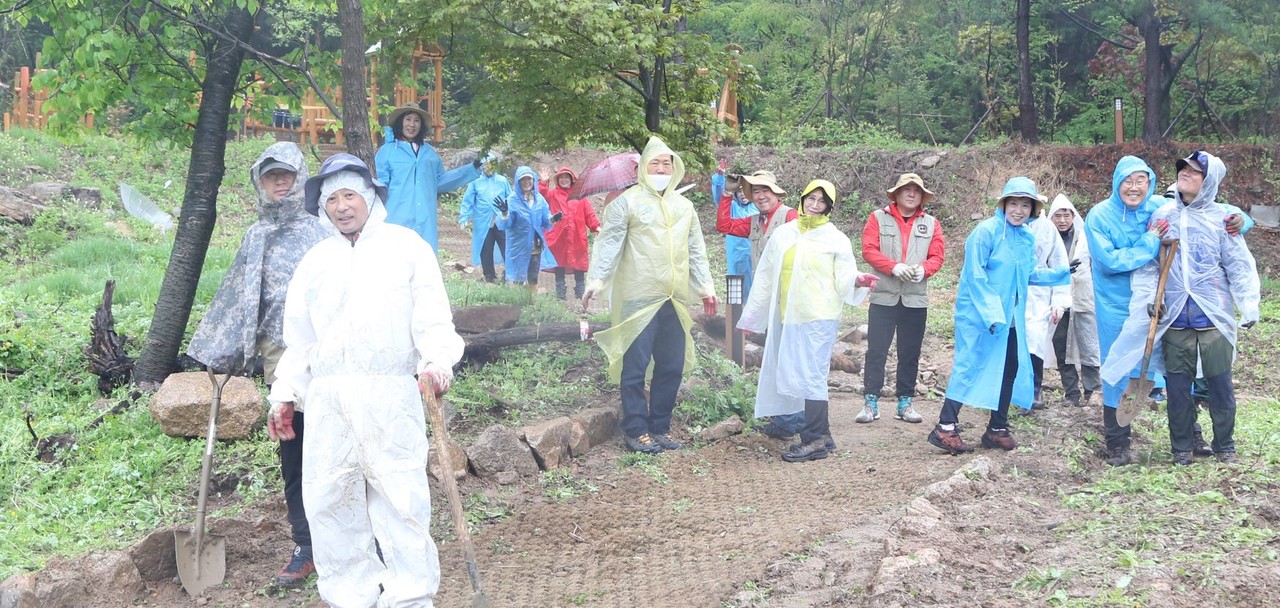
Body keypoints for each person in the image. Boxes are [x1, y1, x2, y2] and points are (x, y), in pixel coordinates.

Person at [266, 153, 464, 607]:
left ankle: (410, 599)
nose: (341, 206)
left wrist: (436, 363)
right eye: (332, 199)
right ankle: (349, 598)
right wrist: (286, 393)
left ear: (370, 197)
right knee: (332, 506)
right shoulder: (315, 262)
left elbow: (434, 320)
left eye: (349, 195)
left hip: (391, 395)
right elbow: (301, 341)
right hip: (330, 402)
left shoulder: (406, 248)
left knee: (401, 504)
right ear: (323, 207)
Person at [186, 141, 328, 588]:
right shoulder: (254, 235)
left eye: (287, 174)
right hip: (278, 358)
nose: (280, 182)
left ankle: (357, 539)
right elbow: (236, 296)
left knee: (337, 446)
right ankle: (306, 545)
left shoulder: (321, 232)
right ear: (259, 183)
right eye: (271, 176)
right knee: (294, 452)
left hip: (328, 357)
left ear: (301, 176)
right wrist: (218, 349)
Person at [1101, 151, 1259, 465]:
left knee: (1220, 386)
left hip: (1212, 318)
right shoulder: (1163, 216)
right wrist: (1150, 300)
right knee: (1177, 388)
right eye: (1183, 168)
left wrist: (1249, 304)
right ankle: (1182, 449)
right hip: (1175, 319)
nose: (1185, 173)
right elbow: (1149, 267)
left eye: (1194, 171)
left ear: (1208, 181)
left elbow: (1238, 266)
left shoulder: (1222, 219)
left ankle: (1225, 447)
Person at [582, 136, 717, 454]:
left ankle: (660, 427)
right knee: (636, 366)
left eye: (666, 163)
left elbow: (696, 251)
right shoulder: (626, 203)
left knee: (672, 365)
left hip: (674, 299)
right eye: (654, 162)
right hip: (639, 297)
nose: (660, 168)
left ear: (675, 168)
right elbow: (608, 246)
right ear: (643, 167)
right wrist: (596, 282)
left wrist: (706, 288)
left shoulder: (684, 207)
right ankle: (635, 429)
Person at [927, 178, 1069, 454]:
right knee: (971, 365)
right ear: (1003, 204)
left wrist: (1062, 272)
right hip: (979, 314)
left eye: (1025, 205)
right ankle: (945, 427)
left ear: (1033, 209)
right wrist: (992, 314)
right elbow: (975, 276)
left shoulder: (1027, 237)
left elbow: (1028, 275)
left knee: (1010, 368)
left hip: (1011, 316)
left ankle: (997, 428)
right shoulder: (986, 232)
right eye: (1014, 203)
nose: (1019, 210)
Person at [739, 179, 878, 462]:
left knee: (812, 376)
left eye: (822, 201)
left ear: (829, 207)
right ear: (802, 199)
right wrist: (751, 318)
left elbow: (845, 276)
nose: (815, 205)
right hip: (787, 316)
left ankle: (814, 439)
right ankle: (822, 435)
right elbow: (765, 277)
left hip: (818, 317)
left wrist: (858, 280)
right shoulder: (783, 235)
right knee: (794, 373)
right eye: (811, 198)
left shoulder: (835, 238)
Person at [1084, 156, 1170, 465]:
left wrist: (1239, 218)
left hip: (1153, 302)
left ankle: (1187, 436)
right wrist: (1149, 241)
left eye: (1140, 181)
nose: (1134, 188)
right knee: (1116, 368)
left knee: (1169, 365)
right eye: (1128, 181)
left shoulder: (1157, 207)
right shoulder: (1100, 216)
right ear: (1117, 182)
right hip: (1115, 305)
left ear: (1150, 183)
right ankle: (1117, 443)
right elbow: (1110, 261)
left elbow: (1202, 207)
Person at [714, 168, 800, 438]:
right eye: (756, 191)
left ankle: (797, 418)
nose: (761, 196)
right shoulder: (754, 222)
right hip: (766, 296)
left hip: (789, 297)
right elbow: (724, 225)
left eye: (765, 190)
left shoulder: (791, 217)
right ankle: (784, 418)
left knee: (790, 356)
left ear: (776, 193)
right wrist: (727, 194)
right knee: (775, 357)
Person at [857, 173, 945, 425]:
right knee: (876, 350)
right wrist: (893, 267)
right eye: (906, 189)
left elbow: (937, 256)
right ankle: (870, 402)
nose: (911, 193)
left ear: (921, 197)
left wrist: (923, 270)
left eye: (916, 190)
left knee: (910, 352)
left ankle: (905, 402)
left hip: (915, 300)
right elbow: (869, 249)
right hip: (883, 296)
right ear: (895, 194)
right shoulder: (877, 218)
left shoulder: (931, 223)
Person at [374, 103, 481, 251]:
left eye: (417, 120)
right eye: (408, 119)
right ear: (400, 122)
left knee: (424, 266)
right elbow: (380, 187)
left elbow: (439, 182)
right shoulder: (387, 152)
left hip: (425, 222)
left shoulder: (430, 153)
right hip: (395, 220)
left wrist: (471, 169)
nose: (412, 124)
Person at [1045, 194, 1101, 408]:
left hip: (1084, 297)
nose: (1062, 220)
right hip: (1057, 298)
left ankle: (1092, 389)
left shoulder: (1085, 238)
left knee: (1088, 343)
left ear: (1073, 216)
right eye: (1057, 215)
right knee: (1061, 346)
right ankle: (1071, 393)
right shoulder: (1048, 239)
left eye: (1066, 215)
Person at [1025, 205, 1070, 409]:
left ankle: (1035, 389)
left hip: (1039, 294)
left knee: (1035, 341)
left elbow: (1059, 264)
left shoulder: (1046, 228)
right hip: (1011, 291)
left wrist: (1059, 301)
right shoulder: (1004, 225)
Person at [539, 166, 601, 299]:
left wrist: (596, 227)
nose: (564, 180)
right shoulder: (552, 194)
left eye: (566, 177)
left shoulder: (580, 196)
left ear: (572, 179)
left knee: (579, 262)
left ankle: (580, 291)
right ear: (557, 180)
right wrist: (543, 183)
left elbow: (589, 214)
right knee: (559, 263)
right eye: (561, 177)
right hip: (558, 236)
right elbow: (540, 197)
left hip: (577, 236)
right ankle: (560, 291)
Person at [496, 166, 560, 285]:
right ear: (518, 182)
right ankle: (517, 301)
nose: (527, 183)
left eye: (529, 179)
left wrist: (553, 219)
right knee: (517, 277)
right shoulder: (511, 200)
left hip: (535, 244)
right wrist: (504, 213)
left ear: (533, 181)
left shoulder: (539, 199)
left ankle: (531, 300)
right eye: (523, 180)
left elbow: (545, 220)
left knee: (533, 275)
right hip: (518, 245)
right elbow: (504, 224)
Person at [711, 162, 760, 300]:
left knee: (754, 290)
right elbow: (719, 195)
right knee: (735, 290)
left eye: (746, 191)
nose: (743, 194)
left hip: (754, 256)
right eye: (739, 191)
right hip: (735, 256)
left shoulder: (757, 208)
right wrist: (720, 177)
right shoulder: (731, 207)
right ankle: (733, 319)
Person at [459, 159, 512, 282]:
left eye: (492, 165)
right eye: (486, 165)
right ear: (482, 167)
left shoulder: (502, 181)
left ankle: (509, 274)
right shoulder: (475, 182)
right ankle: (489, 276)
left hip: (501, 219)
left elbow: (511, 197)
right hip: (483, 221)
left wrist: (510, 211)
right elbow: (468, 200)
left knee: (507, 246)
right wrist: (464, 217)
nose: (489, 168)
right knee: (486, 248)